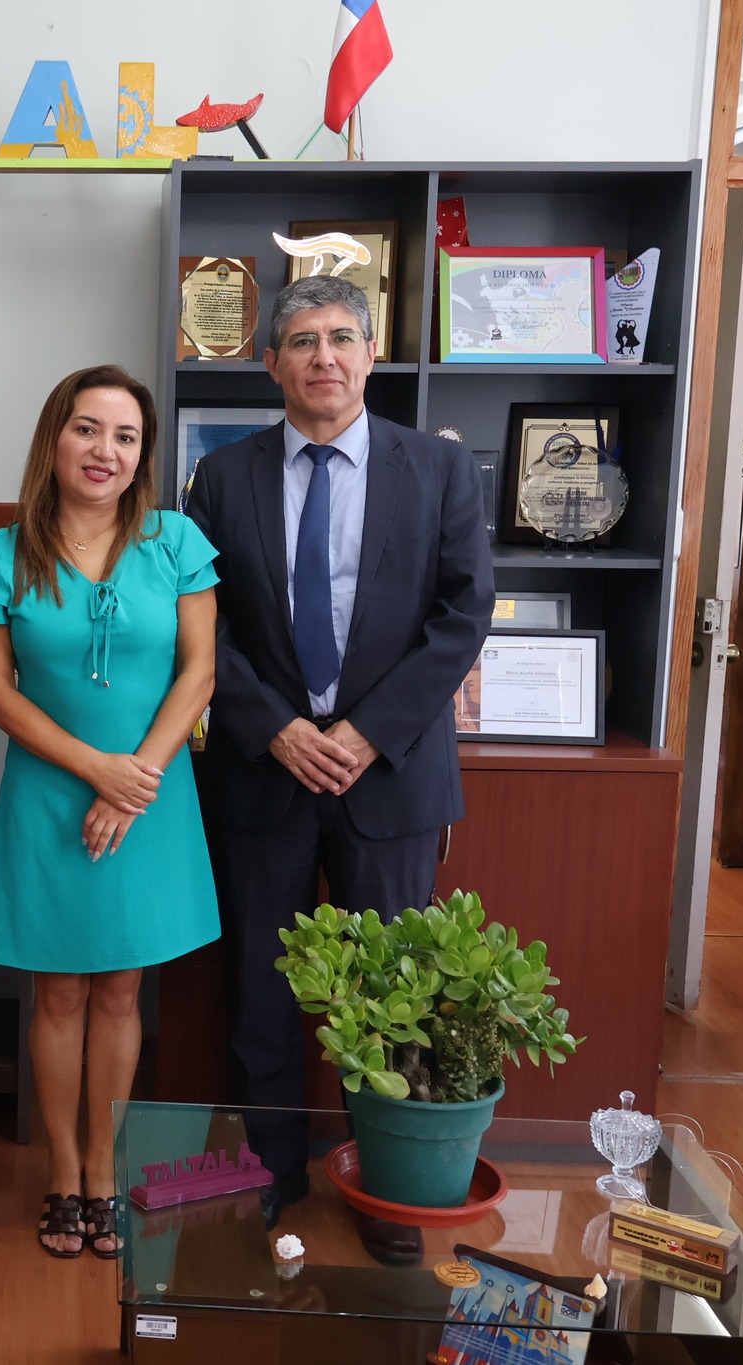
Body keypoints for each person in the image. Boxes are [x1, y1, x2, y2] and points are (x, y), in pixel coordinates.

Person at [183, 275, 493, 1262]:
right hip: (262, 772)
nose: (322, 356)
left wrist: (366, 732)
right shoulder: (219, 478)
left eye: (341, 338)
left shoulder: (436, 471)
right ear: (269, 362)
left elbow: (462, 613)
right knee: (260, 997)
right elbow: (204, 626)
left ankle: (392, 1191)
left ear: (369, 356)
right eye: (302, 340)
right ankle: (265, 1176)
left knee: (391, 996)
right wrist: (272, 726)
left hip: (389, 775)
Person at [0, 365, 221, 1260]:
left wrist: (135, 778)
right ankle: (62, 1174)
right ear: (54, 440)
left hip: (150, 798)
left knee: (120, 987)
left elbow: (200, 672)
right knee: (59, 988)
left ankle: (106, 1174)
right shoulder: (3, 554)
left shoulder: (177, 541)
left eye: (125, 436)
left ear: (143, 453)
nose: (104, 451)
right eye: (86, 430)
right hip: (49, 796)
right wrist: (96, 772)